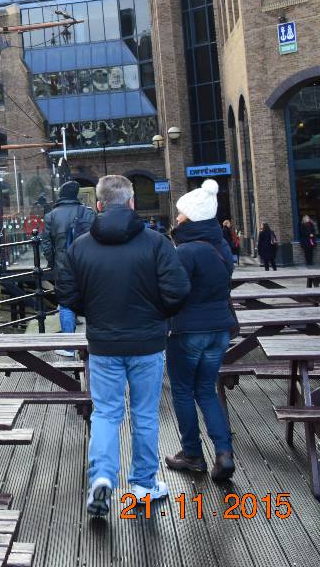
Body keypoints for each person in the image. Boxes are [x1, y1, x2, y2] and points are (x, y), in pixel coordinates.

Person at [57, 175, 191, 517]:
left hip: (103, 343)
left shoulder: (80, 247)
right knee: (144, 414)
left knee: (105, 413)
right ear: (132, 202)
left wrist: (95, 313)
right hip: (147, 342)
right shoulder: (157, 243)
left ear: (98, 205)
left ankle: (102, 476)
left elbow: (67, 294)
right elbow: (178, 290)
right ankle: (143, 485)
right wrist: (156, 316)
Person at [164, 180, 237, 482]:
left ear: (191, 217)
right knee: (206, 390)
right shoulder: (222, 247)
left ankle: (192, 453)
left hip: (188, 330)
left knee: (182, 390)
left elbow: (173, 291)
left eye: (180, 212)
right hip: (220, 328)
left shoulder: (185, 251)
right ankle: (224, 452)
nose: (176, 217)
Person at [41, 181, 97, 356]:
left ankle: (69, 347)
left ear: (61, 195)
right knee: (93, 300)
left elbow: (46, 244)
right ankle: (95, 343)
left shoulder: (51, 216)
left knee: (65, 303)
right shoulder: (89, 213)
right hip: (88, 265)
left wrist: (52, 263)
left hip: (64, 266)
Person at [300, 215, 319, 286]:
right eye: (307, 218)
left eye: (309, 218)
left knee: (311, 251)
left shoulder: (311, 224)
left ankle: (311, 261)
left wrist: (312, 234)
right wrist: (308, 234)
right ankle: (308, 261)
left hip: (311, 240)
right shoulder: (302, 225)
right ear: (305, 219)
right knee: (306, 251)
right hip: (305, 240)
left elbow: (314, 230)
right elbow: (302, 232)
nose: (308, 219)